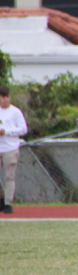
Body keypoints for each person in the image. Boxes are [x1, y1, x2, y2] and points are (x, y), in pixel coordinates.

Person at [0, 86, 28, 214]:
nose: (4, 99)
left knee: (9, 176)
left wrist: (6, 131)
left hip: (10, 148)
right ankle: (1, 198)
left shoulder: (15, 112)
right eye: (2, 97)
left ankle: (8, 202)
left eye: (6, 97)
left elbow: (23, 129)